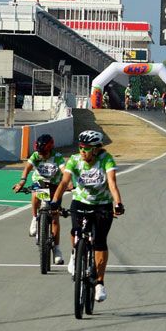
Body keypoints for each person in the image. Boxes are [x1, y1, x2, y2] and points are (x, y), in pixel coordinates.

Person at [50, 130, 125, 303]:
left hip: (102, 204)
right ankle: (75, 254)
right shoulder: (75, 160)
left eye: (86, 149)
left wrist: (118, 204)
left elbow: (112, 184)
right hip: (81, 201)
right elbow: (63, 182)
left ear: (96, 149)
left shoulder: (106, 160)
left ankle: (100, 283)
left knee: (99, 241)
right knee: (75, 230)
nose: (82, 152)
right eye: (81, 147)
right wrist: (55, 201)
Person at [12, 133, 65, 265]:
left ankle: (57, 250)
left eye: (44, 152)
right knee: (35, 192)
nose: (41, 155)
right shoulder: (36, 156)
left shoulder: (57, 158)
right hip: (40, 183)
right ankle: (35, 218)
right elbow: (27, 168)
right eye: (39, 152)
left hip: (54, 187)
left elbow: (65, 171)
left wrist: (68, 183)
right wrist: (21, 182)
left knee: (54, 218)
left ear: (50, 149)